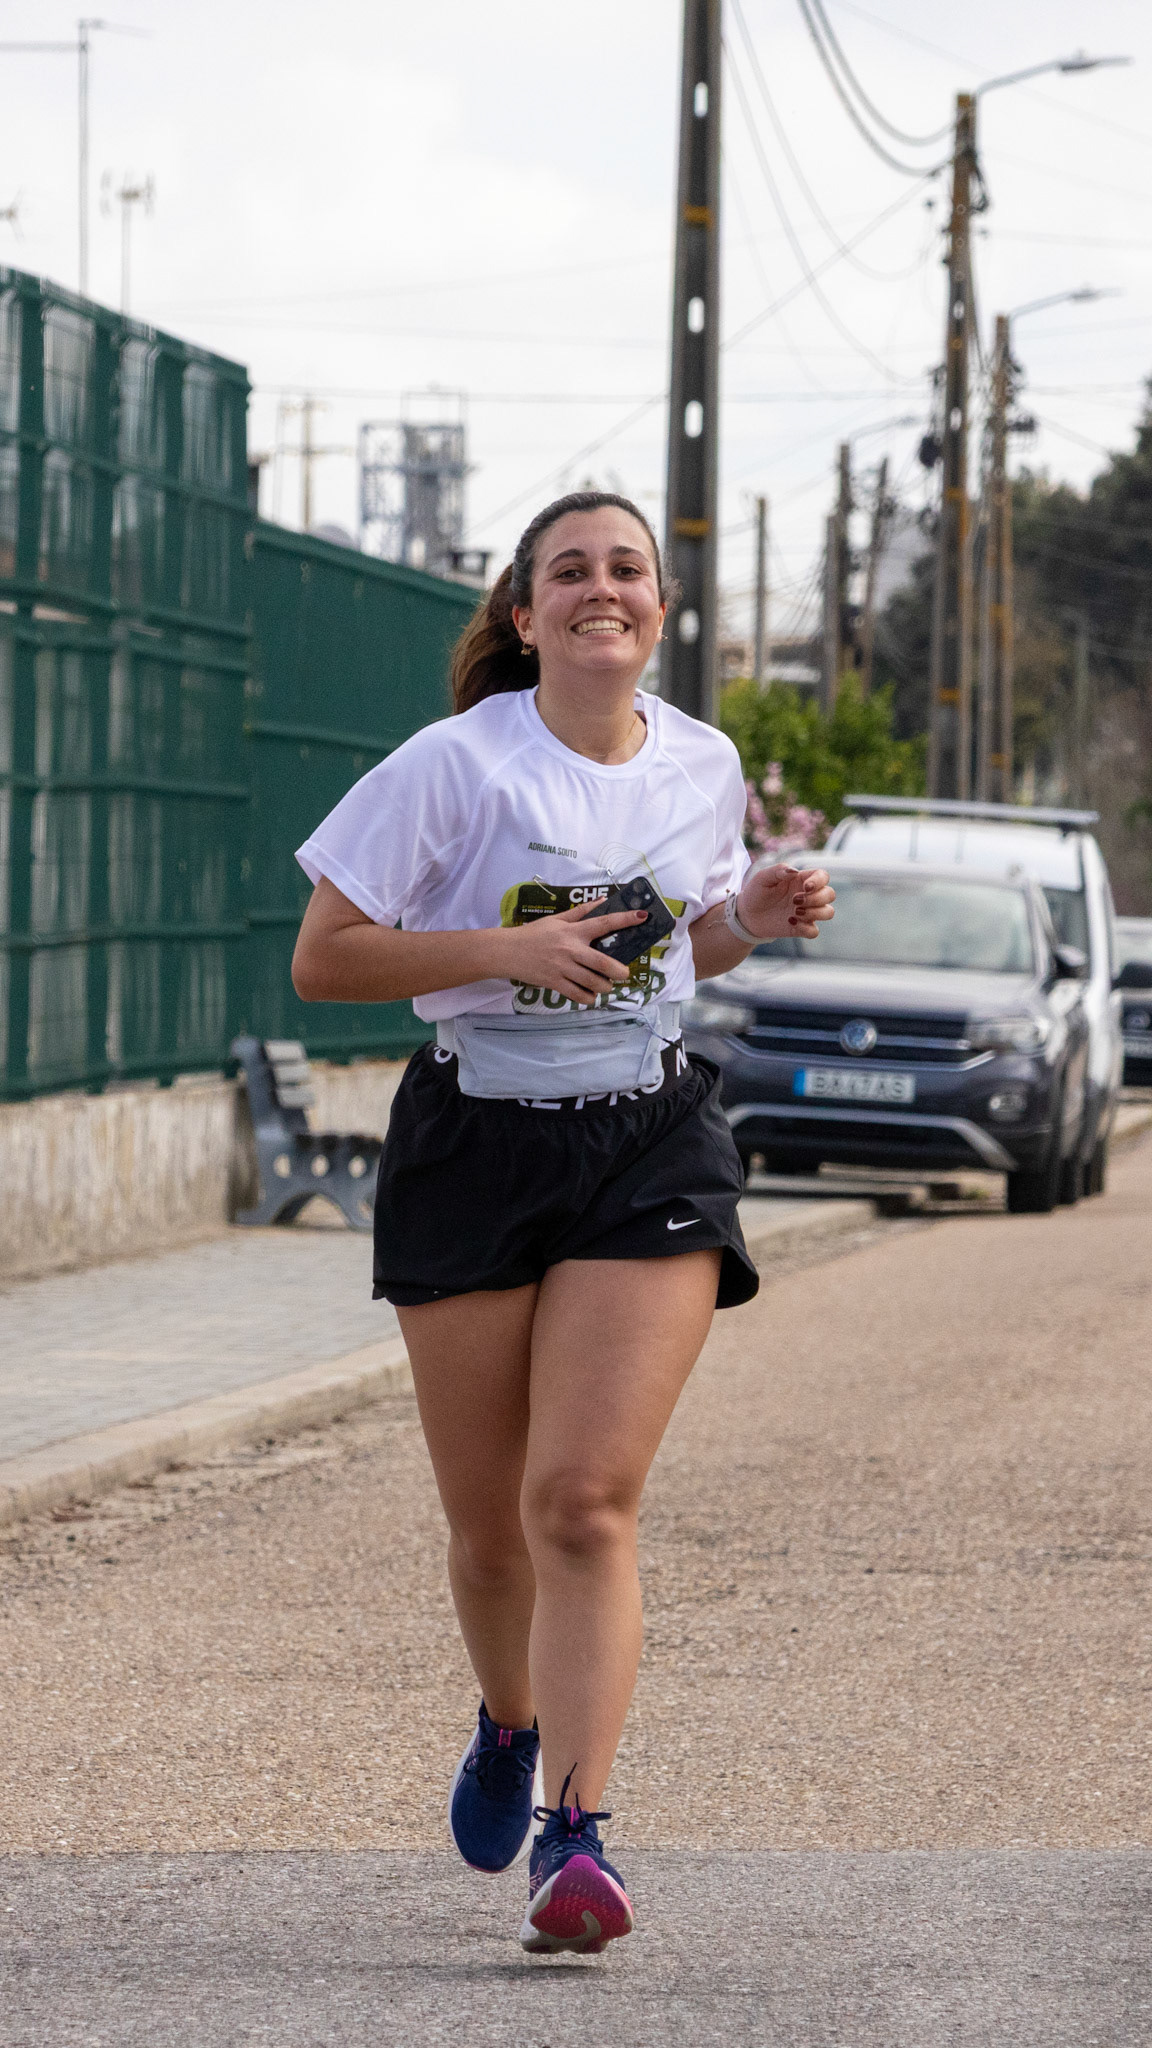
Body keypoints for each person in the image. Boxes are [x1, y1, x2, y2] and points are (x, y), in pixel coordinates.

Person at [292, 491, 834, 1955]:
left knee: (581, 1502)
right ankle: (506, 1718)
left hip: (646, 1137)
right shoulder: (454, 765)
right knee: (491, 1540)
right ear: (526, 616)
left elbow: (684, 945)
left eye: (628, 569)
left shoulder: (703, 761)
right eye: (571, 572)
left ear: (661, 606)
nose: (606, 589)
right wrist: (506, 947)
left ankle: (575, 1832)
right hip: (475, 1137)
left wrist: (751, 916)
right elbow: (324, 960)